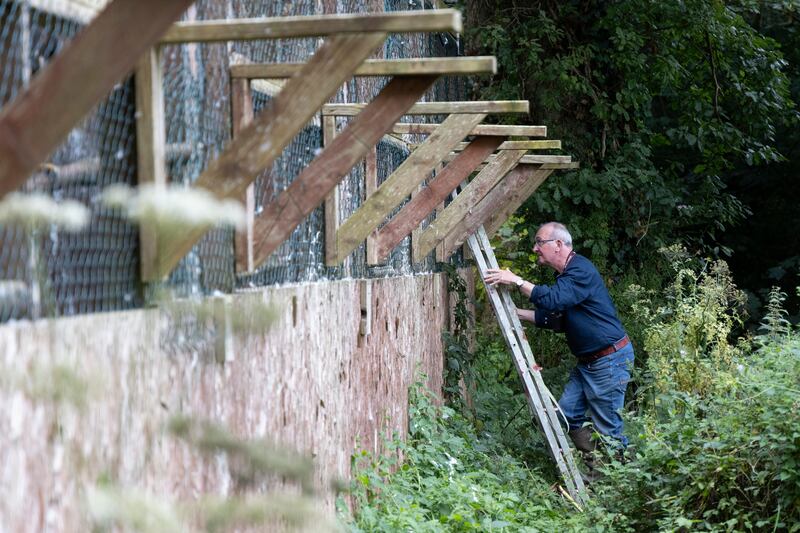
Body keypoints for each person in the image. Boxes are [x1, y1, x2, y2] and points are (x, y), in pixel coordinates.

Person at [484, 222, 634, 478]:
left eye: (539, 242)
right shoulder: (567, 277)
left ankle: (621, 485)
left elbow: (554, 300)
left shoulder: (580, 271)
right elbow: (557, 319)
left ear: (559, 244)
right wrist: (516, 314)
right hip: (589, 362)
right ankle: (598, 471)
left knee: (609, 429)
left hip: (608, 360)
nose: (535, 248)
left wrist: (517, 281)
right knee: (567, 415)